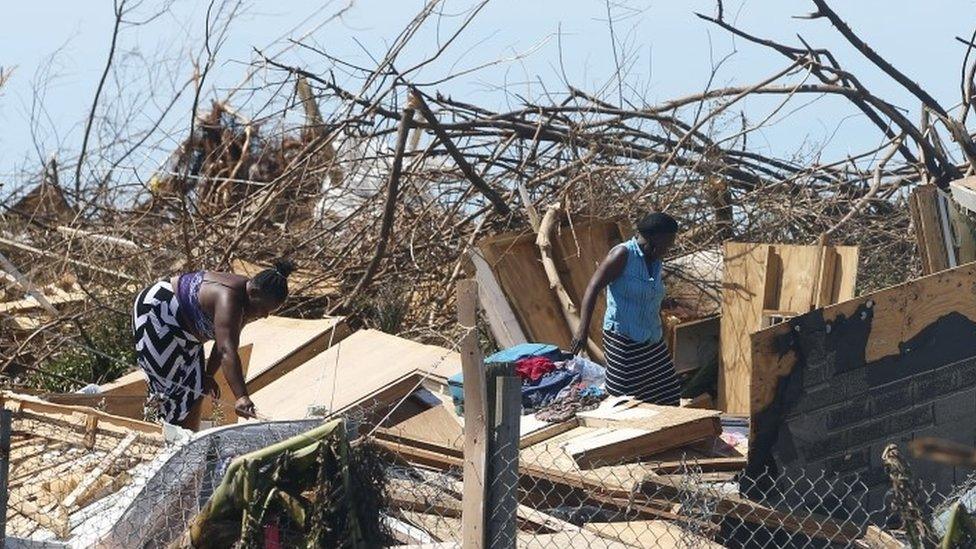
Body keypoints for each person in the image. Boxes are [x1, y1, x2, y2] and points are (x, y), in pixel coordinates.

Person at [131, 260, 295, 429]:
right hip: (157, 313)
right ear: (253, 292)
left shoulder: (247, 301)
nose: (265, 315)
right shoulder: (229, 298)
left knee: (196, 391)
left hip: (188, 336)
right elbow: (226, 350)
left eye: (269, 312)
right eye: (264, 308)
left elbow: (224, 341)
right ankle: (163, 442)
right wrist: (241, 396)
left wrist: (209, 376)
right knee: (169, 396)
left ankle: (188, 445)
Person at [571, 213, 682, 405]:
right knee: (624, 397)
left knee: (668, 393)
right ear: (655, 237)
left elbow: (647, 296)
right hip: (623, 339)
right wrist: (582, 330)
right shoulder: (622, 255)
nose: (669, 247)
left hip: (651, 338)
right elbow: (593, 287)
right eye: (668, 241)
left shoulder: (655, 261)